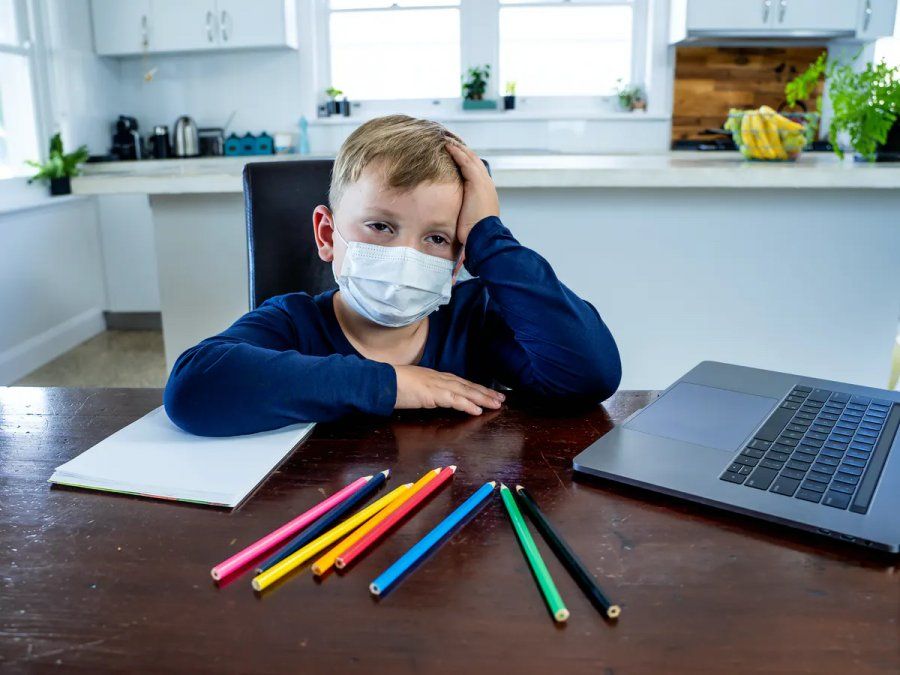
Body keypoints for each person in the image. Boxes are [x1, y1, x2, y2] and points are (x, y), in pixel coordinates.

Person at [164, 114, 621, 436]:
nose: (405, 257)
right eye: (381, 226)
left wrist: (490, 239)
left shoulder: (474, 320)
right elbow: (192, 388)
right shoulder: (293, 322)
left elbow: (590, 375)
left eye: (437, 238)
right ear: (327, 234)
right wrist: (392, 382)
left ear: (460, 258)